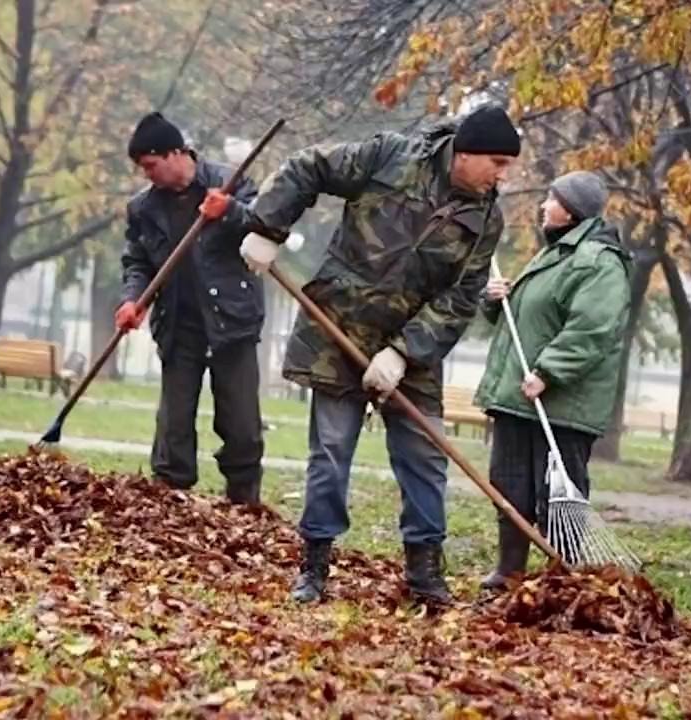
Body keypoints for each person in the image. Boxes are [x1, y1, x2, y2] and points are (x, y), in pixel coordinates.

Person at [198, 104, 521, 604]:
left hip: (412, 351)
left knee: (425, 458)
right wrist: (267, 227)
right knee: (330, 453)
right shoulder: (391, 157)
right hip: (338, 330)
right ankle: (315, 566)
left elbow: (459, 298)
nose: (504, 174)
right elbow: (311, 166)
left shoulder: (485, 221)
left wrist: (402, 354)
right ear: (466, 153)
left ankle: (425, 575)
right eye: (498, 162)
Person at [471, 171, 632, 590]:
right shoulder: (554, 254)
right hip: (518, 399)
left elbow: (592, 328)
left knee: (558, 495)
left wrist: (549, 371)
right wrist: (498, 301)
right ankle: (510, 572)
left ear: (572, 209)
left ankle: (561, 578)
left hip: (560, 404)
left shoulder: (598, 261)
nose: (544, 204)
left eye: (552, 198)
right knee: (510, 486)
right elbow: (530, 318)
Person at [118, 112, 265, 504]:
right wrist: (133, 300)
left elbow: (266, 225)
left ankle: (244, 502)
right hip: (178, 324)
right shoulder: (143, 208)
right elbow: (137, 262)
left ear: (175, 153)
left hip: (231, 322)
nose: (147, 175)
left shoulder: (231, 183)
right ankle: (170, 501)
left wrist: (230, 211)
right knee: (174, 423)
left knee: (241, 425)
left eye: (150, 165)